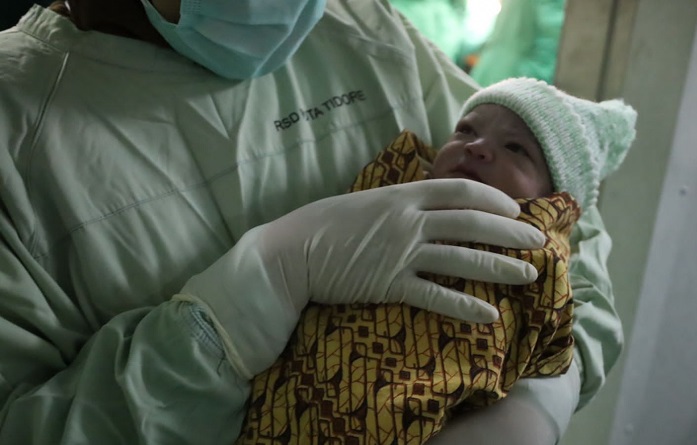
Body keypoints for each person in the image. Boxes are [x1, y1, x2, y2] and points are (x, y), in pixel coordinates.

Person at [0, 1, 624, 444]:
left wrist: (537, 400)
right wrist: (238, 309)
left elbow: (568, 216)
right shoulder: (17, 128)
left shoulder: (360, 25)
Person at [238, 77, 636, 445]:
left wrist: (533, 406)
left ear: (552, 197)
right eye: (466, 129)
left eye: (516, 148)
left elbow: (553, 347)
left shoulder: (542, 255)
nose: (476, 146)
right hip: (306, 393)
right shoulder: (399, 181)